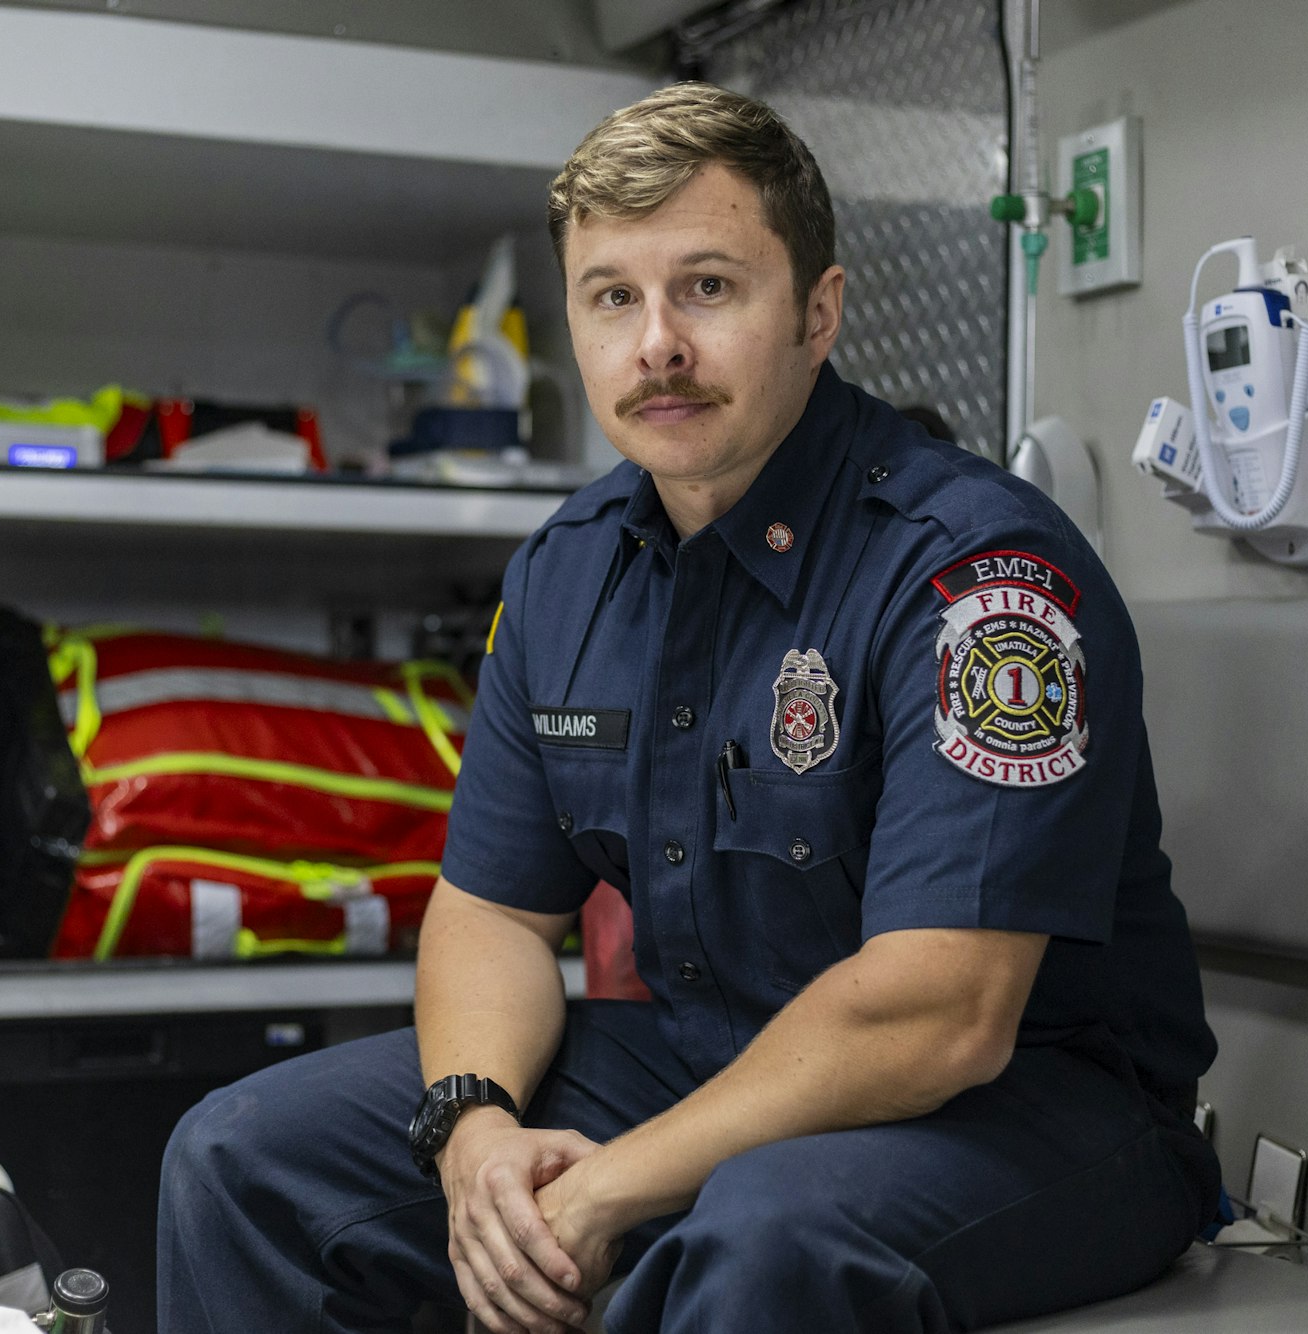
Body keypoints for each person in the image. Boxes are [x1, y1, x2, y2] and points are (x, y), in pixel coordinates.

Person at [159, 82, 1220, 1334]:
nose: (655, 342)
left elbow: (937, 1014)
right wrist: (472, 1125)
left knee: (761, 1238)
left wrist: (608, 1181)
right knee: (243, 1154)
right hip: (706, 1060)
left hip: (1032, 1109)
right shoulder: (567, 570)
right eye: (613, 296)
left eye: (706, 287)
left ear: (816, 312)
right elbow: (493, 910)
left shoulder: (976, 578)